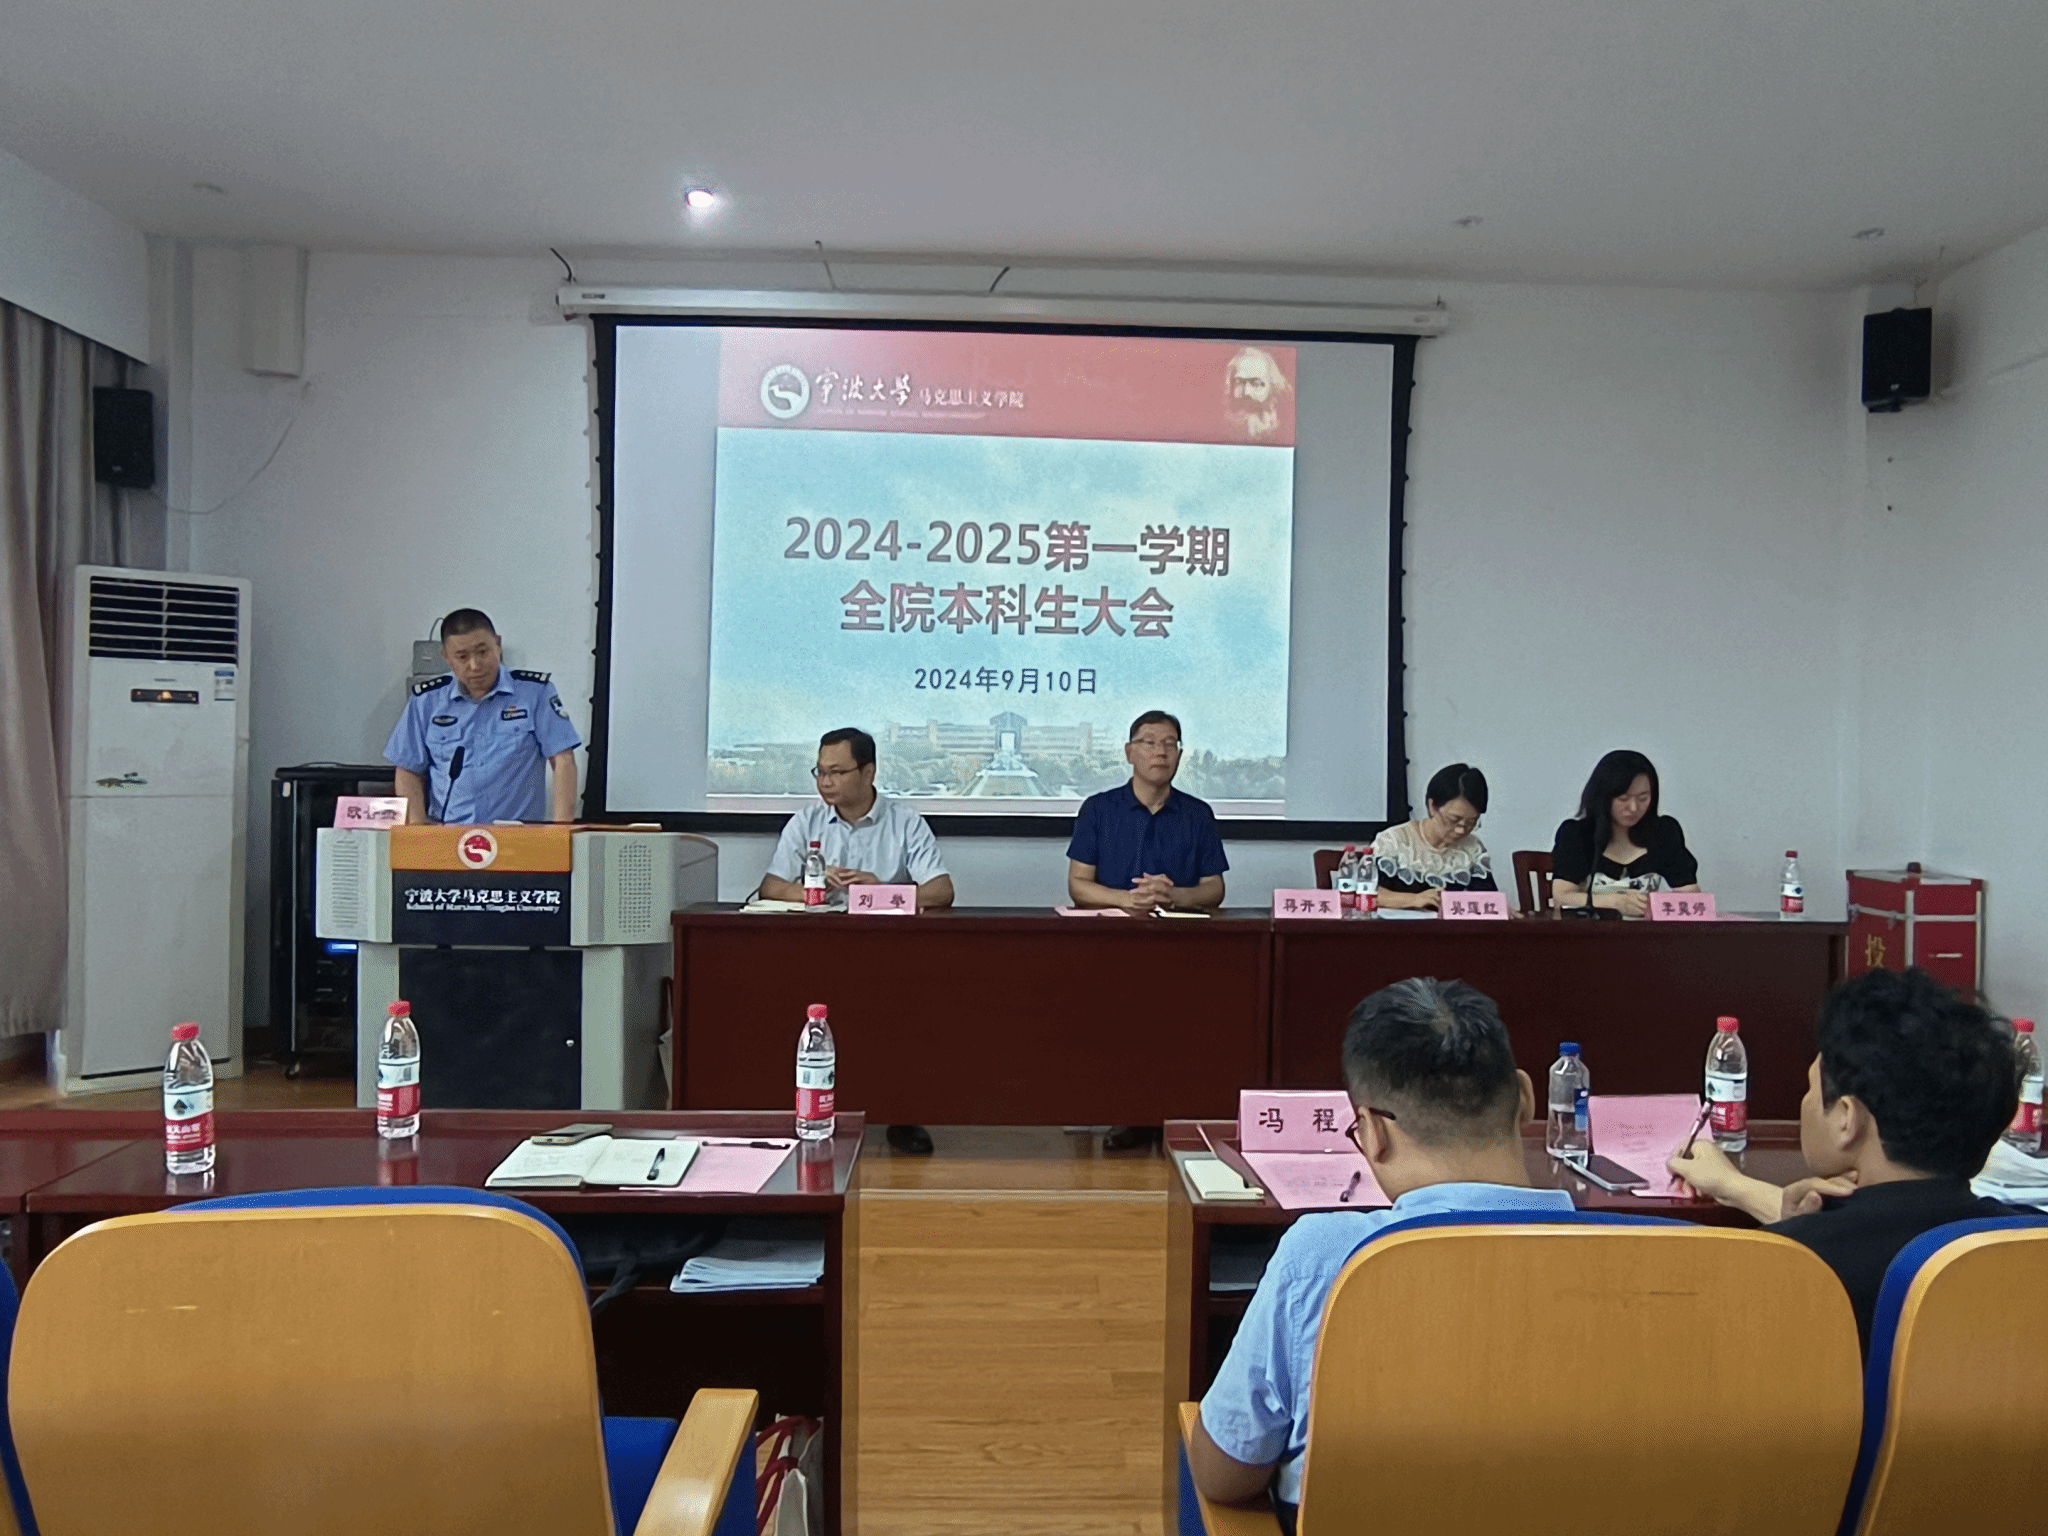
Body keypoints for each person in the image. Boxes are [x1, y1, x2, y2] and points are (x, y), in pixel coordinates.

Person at [1190, 978, 1568, 1526]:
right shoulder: (1659, 1258)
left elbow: (1224, 1473)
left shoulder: (1322, 1257)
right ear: (1526, 1099)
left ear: (1370, 1132)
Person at [1668, 967, 2018, 1355]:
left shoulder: (1784, 1272)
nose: (1805, 1102)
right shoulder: (2025, 1242)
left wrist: (1794, 1232)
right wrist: (1737, 1188)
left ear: (1847, 1120)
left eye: (1810, 1087)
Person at [759, 727, 954, 1157]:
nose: (825, 782)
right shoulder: (806, 822)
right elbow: (771, 887)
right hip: (817, 951)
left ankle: (903, 1115)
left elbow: (941, 891)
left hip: (889, 954)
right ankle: (810, 1109)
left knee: (903, 1017)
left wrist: (881, 891)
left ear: (868, 772)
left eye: (837, 772)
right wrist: (813, 888)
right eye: (819, 772)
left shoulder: (905, 822)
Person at [385, 608, 579, 824]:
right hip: (448, 834)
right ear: (446, 657)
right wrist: (417, 832)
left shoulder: (535, 693)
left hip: (517, 835)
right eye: (462, 657)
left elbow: (563, 759)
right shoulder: (426, 701)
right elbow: (408, 770)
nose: (475, 665)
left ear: (498, 644)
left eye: (483, 652)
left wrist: (561, 829)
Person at [1066, 711, 1228, 914]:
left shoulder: (1198, 814)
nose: (1161, 752)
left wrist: (1173, 896)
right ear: (1129, 752)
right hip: (1111, 929)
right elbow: (1078, 884)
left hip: (1180, 929)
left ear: (1178, 755)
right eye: (1150, 743)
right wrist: (1128, 899)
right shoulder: (1097, 809)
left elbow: (1214, 888)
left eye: (1169, 744)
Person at [1550, 749, 1699, 917]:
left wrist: (1658, 905)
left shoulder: (1663, 832)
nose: (1634, 808)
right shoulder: (1577, 834)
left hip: (1646, 932)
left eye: (1643, 798)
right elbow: (1561, 897)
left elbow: (1691, 894)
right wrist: (1615, 902)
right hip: (1589, 931)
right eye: (1623, 799)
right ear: (1603, 797)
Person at [1367, 762, 1497, 911]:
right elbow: (1366, 893)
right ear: (1432, 806)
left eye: (1471, 822)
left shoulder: (1472, 848)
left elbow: (1487, 897)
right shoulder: (1394, 841)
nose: (1461, 830)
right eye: (1454, 819)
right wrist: (1415, 899)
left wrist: (1498, 907)